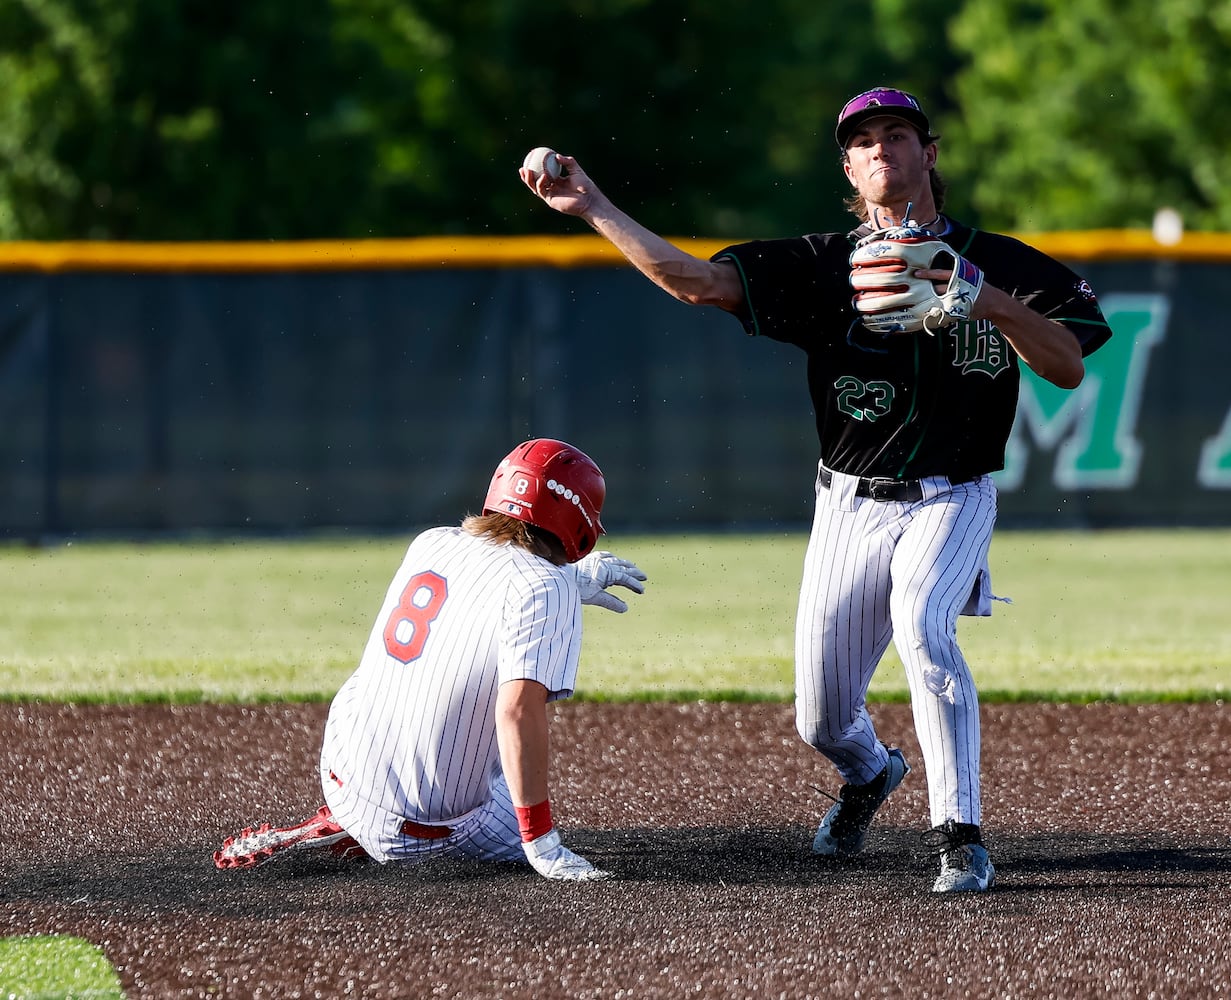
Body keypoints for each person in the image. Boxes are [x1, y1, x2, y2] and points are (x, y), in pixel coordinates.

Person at [519, 87, 1112, 893]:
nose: (881, 150)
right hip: (847, 504)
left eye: (897, 134)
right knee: (821, 719)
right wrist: (591, 205)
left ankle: (960, 838)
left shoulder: (997, 259)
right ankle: (870, 773)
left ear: (928, 153)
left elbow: (1067, 365)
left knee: (924, 628)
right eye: (862, 141)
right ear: (846, 165)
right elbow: (694, 281)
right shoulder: (821, 266)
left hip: (953, 494)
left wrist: (979, 295)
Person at [214, 438, 647, 881]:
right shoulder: (546, 589)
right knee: (507, 756)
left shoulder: (433, 542)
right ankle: (382, 833)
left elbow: (492, 586)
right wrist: (541, 843)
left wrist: (567, 581)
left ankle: (350, 820)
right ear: (578, 520)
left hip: (340, 773)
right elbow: (517, 712)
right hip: (423, 836)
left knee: (406, 676)